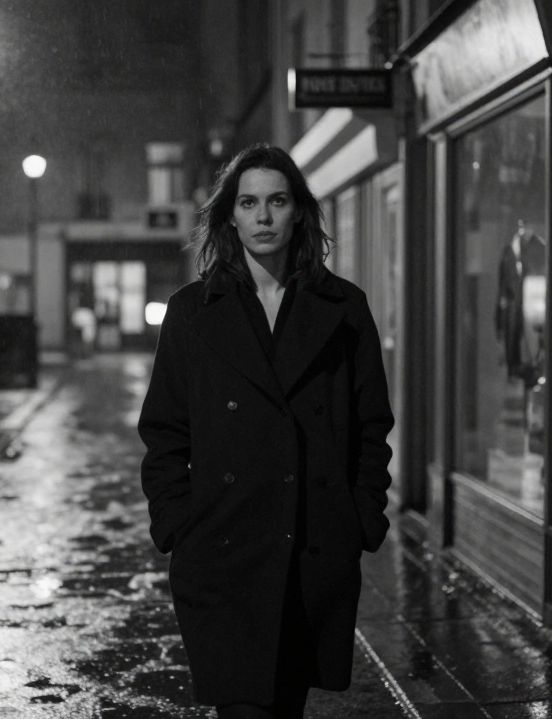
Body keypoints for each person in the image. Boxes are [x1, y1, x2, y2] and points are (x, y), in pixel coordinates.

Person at [137, 144, 394, 718]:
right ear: (230, 214)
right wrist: (178, 523)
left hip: (309, 547)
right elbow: (164, 431)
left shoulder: (343, 308)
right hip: (223, 551)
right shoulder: (192, 311)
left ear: (299, 210)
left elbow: (371, 423)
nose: (263, 216)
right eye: (249, 202)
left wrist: (360, 516)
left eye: (277, 201)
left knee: (285, 706)